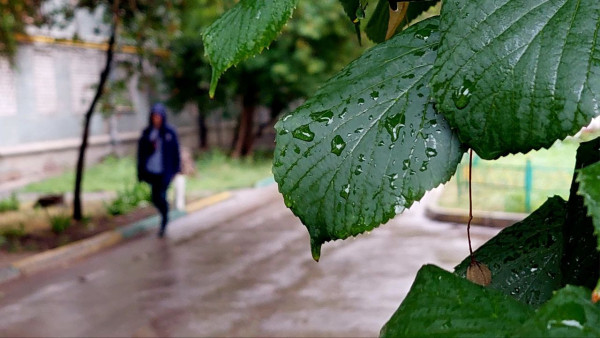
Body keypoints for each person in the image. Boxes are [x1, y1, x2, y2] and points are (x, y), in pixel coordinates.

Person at [137, 103, 181, 238]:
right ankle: (164, 211)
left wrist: (176, 169)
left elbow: (175, 152)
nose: (156, 119)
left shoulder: (169, 132)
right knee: (155, 198)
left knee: (161, 195)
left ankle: (164, 219)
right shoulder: (147, 133)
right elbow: (141, 154)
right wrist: (140, 172)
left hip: (165, 171)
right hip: (152, 171)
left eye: (158, 116)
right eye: (154, 116)